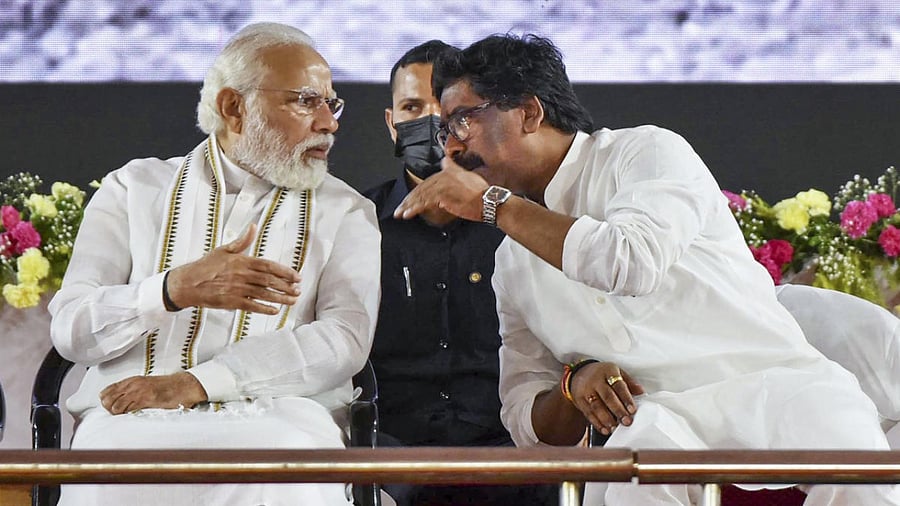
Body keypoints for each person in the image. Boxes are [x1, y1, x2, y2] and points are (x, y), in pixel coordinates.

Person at [393, 33, 900, 505]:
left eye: (463, 120)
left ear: (528, 112)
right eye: (444, 129)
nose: (452, 147)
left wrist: (493, 206)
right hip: (655, 425)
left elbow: (629, 262)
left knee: (858, 474)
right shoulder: (513, 259)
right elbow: (526, 420)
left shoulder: (646, 153)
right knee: (631, 470)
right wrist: (574, 386)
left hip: (778, 390)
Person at [49, 22, 380, 505]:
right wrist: (169, 291)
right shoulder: (132, 189)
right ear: (233, 107)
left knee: (286, 468)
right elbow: (71, 331)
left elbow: (344, 340)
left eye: (332, 103)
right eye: (306, 101)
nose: (328, 122)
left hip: (282, 420)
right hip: (128, 422)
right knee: (114, 469)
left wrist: (199, 383)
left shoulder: (345, 210)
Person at [364, 40, 556, 506]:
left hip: (516, 454)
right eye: (412, 107)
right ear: (392, 125)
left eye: (452, 112)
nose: (434, 126)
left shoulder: (530, 222)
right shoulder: (355, 223)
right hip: (389, 459)